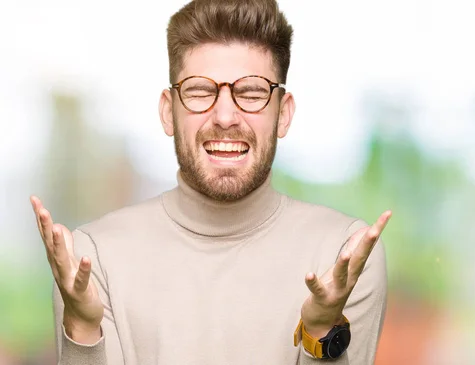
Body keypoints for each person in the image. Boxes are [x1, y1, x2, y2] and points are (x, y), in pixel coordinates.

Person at [30, 0, 392, 364]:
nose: (224, 116)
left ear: (283, 114)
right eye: (200, 91)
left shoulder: (343, 255)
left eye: (251, 92)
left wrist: (320, 332)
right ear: (168, 112)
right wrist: (82, 331)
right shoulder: (93, 259)